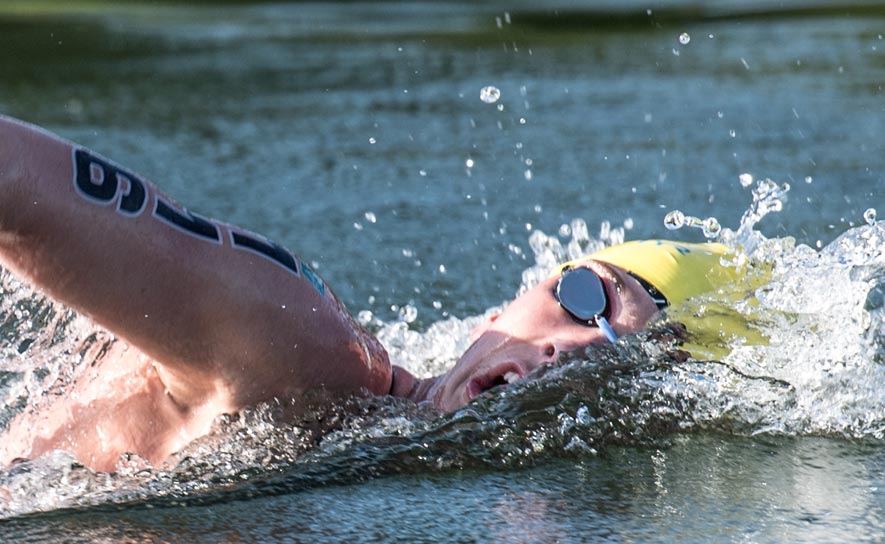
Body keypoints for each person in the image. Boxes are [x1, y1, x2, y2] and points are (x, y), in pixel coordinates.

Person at [0, 115, 738, 472]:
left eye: (617, 362)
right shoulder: (304, 350)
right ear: (500, 310)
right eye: (588, 298)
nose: (566, 348)